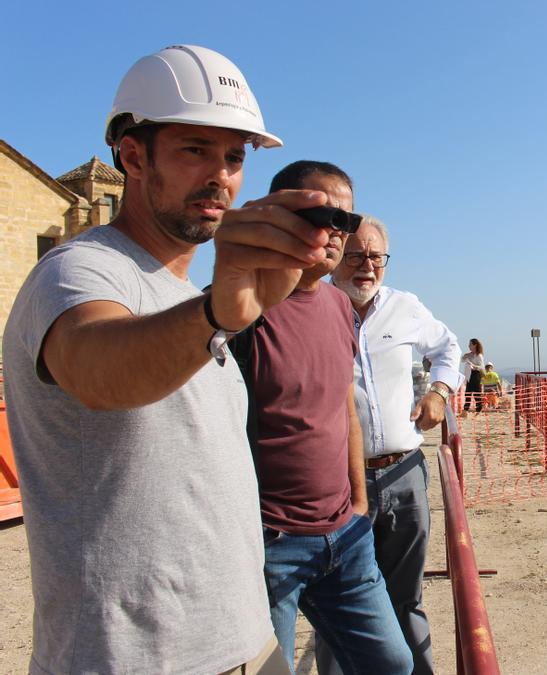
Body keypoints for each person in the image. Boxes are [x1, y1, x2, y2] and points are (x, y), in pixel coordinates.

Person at [1, 44, 311, 673]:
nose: (221, 175)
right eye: (195, 149)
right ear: (133, 155)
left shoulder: (184, 296)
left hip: (246, 643)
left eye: (234, 156)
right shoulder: (80, 270)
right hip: (132, 659)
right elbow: (98, 369)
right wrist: (218, 315)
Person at [232, 163, 412, 673]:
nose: (337, 230)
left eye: (346, 219)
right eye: (321, 214)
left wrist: (357, 502)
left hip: (345, 537)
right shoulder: (236, 311)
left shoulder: (338, 306)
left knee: (392, 665)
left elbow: (343, 409)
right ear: (278, 216)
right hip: (272, 545)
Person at [329, 216, 462, 675]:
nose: (367, 266)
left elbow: (448, 348)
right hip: (339, 483)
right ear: (335, 256)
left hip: (404, 474)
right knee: (341, 602)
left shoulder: (405, 306)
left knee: (406, 596)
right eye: (356, 255)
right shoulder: (312, 307)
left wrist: (439, 393)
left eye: (376, 256)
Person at [461, 338, 485, 414]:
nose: (469, 346)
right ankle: (465, 411)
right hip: (469, 375)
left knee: (476, 393)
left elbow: (481, 367)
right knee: (467, 393)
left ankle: (479, 410)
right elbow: (462, 360)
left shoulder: (479, 355)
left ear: (475, 345)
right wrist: (465, 356)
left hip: (476, 375)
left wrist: (473, 365)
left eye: (470, 344)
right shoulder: (470, 354)